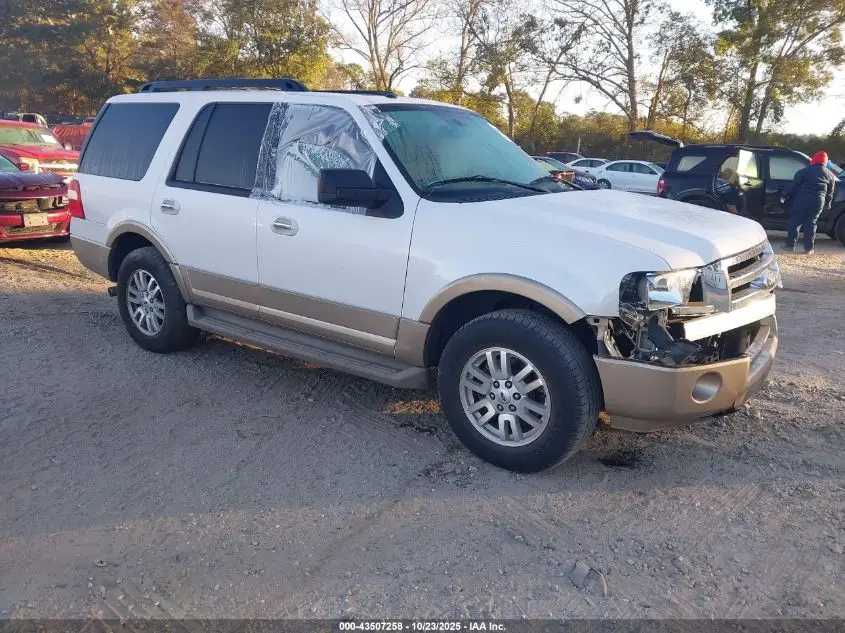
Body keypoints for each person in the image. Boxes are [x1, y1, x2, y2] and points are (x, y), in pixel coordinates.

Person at [782, 151, 838, 255]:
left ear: (814, 160)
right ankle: (808, 249)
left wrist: (784, 195)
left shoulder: (804, 171)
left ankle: (790, 246)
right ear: (825, 162)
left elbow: (793, 185)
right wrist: (828, 204)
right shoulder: (830, 174)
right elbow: (830, 193)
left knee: (795, 221)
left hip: (802, 199)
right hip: (818, 201)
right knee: (811, 223)